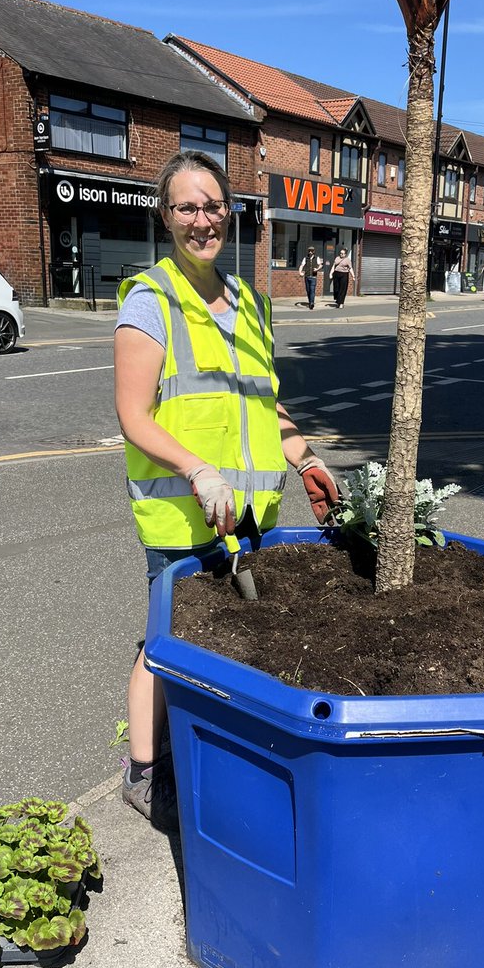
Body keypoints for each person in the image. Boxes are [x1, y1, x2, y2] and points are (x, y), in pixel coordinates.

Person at [113, 150, 340, 828]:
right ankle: (144, 772)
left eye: (213, 205)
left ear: (229, 212)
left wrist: (305, 461)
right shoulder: (150, 301)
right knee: (165, 645)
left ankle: (205, 753)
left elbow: (262, 404)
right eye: (187, 207)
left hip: (246, 516)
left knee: (231, 641)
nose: (202, 219)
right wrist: (197, 470)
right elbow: (132, 413)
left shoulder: (250, 303)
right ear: (166, 216)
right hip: (184, 516)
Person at [298, 245, 324, 309]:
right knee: (308, 290)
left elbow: (320, 265)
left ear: (313, 252)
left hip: (313, 277)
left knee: (312, 290)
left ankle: (311, 303)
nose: (310, 252)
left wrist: (317, 269)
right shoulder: (305, 258)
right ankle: (310, 301)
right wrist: (300, 272)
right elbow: (301, 265)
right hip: (307, 276)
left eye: (311, 251)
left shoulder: (316, 258)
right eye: (309, 251)